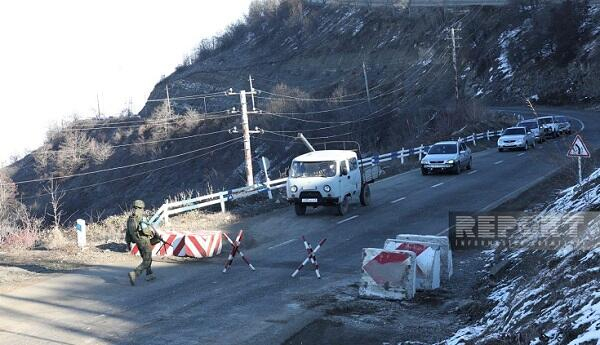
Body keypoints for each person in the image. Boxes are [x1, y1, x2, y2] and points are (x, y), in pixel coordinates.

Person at [126, 199, 156, 285]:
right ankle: (135, 273)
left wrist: (128, 243)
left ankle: (149, 274)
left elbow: (128, 232)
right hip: (144, 240)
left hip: (136, 240)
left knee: (145, 257)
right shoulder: (141, 217)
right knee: (147, 259)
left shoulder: (131, 218)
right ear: (141, 207)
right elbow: (145, 230)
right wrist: (151, 233)